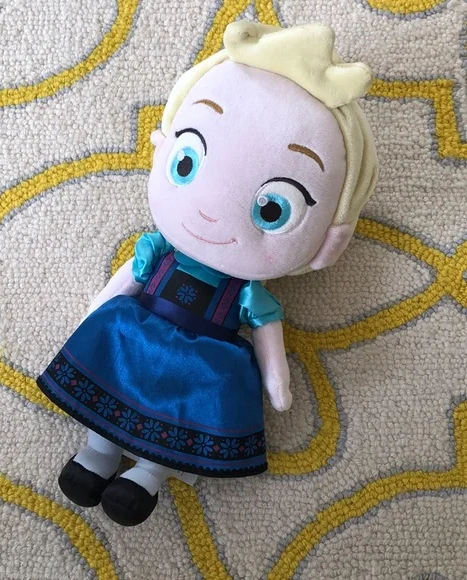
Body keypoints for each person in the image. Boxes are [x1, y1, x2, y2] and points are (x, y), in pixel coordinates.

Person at [37, 20, 378, 526]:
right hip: (135, 334)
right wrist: (98, 310)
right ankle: (98, 453)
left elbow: (268, 335)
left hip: (202, 362)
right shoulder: (158, 251)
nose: (212, 212)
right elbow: (123, 283)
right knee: (112, 393)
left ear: (329, 238)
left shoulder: (249, 294)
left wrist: (278, 383)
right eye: (186, 163)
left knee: (182, 417)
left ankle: (147, 475)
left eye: (274, 210)